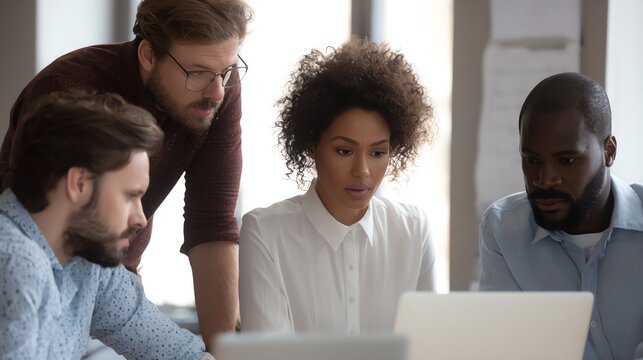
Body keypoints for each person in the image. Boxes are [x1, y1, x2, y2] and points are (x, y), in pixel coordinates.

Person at [0, 0, 253, 346]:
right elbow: (45, 220)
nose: (218, 91)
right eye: (198, 73)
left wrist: (225, 354)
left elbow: (213, 222)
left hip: (102, 283)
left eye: (227, 71)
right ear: (148, 55)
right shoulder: (18, 264)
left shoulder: (217, 87)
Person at [239, 39, 437, 333]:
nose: (363, 171)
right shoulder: (265, 233)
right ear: (311, 146)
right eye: (345, 151)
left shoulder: (413, 230)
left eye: (378, 152)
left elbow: (429, 347)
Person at [0, 91, 214, 359]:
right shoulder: (14, 262)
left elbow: (176, 353)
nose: (140, 218)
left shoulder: (87, 261)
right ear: (79, 184)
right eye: (131, 196)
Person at [477, 72, 643, 360]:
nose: (545, 180)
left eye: (567, 161)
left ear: (609, 151)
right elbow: (505, 349)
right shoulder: (502, 229)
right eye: (532, 161)